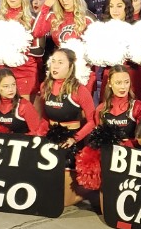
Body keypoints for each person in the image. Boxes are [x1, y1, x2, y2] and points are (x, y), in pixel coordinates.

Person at [39, 48, 97, 207]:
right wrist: (40, 134)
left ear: (70, 67)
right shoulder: (45, 86)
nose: (55, 66)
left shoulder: (79, 90)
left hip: (71, 140)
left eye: (60, 62)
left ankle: (90, 190)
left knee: (62, 201)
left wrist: (74, 139)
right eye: (53, 62)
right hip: (51, 136)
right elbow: (45, 117)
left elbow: (93, 121)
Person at [0, 0, 48, 99]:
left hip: (25, 71)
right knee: (2, 114)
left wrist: (13, 51)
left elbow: (39, 50)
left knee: (24, 113)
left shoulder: (32, 19)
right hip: (0, 70)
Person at [0, 68, 45, 136]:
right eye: (6, 86)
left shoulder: (24, 105)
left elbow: (38, 132)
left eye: (13, 84)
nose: (11, 89)